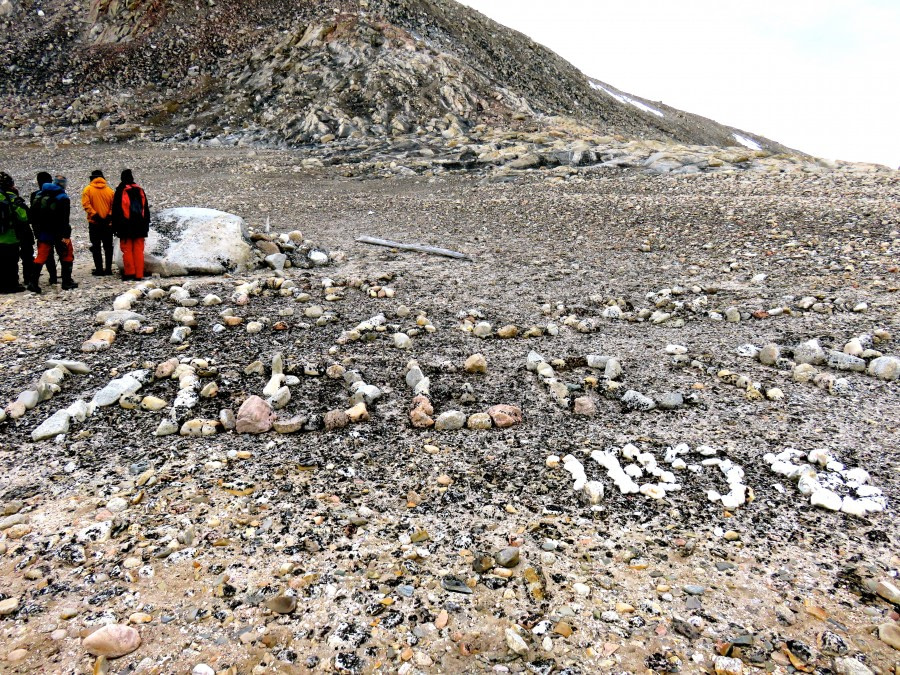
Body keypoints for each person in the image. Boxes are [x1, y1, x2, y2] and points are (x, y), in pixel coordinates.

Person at [32, 175, 78, 290]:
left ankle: (33, 283)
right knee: (67, 254)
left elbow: (33, 216)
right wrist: (66, 235)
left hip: (44, 232)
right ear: (63, 184)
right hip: (59, 232)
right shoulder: (63, 197)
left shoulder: (39, 194)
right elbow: (64, 219)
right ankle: (66, 282)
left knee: (41, 256)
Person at [111, 169, 150, 281]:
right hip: (140, 227)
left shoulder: (121, 190)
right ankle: (139, 274)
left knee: (127, 250)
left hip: (126, 227)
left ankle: (130, 273)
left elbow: (116, 211)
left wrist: (115, 227)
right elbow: (146, 210)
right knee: (138, 251)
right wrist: (146, 226)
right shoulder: (139, 190)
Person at [82, 169, 115, 276]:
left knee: (96, 246)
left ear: (92, 178)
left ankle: (99, 269)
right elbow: (113, 206)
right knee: (108, 247)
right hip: (107, 223)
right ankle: (108, 269)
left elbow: (86, 205)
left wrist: (95, 216)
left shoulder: (88, 190)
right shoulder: (110, 191)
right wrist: (108, 217)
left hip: (94, 223)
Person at [0, 172, 28, 294]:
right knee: (11, 263)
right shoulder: (10, 197)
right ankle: (11, 285)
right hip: (10, 236)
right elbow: (24, 216)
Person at [30, 172, 58, 285]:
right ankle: (57, 277)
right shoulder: (57, 194)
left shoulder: (35, 195)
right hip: (56, 228)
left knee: (46, 254)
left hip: (42, 230)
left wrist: (36, 231)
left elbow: (33, 215)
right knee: (63, 252)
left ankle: (41, 279)